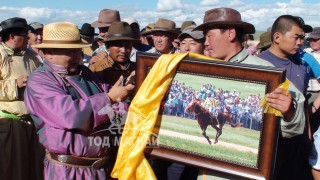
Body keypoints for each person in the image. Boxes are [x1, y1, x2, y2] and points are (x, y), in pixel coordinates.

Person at [194, 8, 309, 179]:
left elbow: (295, 126)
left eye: (209, 35)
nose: (206, 42)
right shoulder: (201, 68)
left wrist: (289, 112)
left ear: (230, 34)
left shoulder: (267, 73)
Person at [24, 21, 134, 179]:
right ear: (48, 53)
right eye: (70, 52)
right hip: (69, 171)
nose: (77, 57)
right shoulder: (40, 81)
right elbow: (70, 114)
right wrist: (110, 98)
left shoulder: (87, 74)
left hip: (100, 169)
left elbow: (115, 109)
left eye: (78, 51)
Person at [258, 15, 312, 179]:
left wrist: (307, 135)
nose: (300, 42)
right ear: (277, 37)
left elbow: (304, 103)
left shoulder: (302, 66)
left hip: (297, 141)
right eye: (296, 37)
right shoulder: (258, 65)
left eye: (302, 38)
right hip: (271, 144)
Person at [0, 17, 43, 180]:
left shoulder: (31, 56)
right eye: (25, 35)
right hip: (10, 125)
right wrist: (14, 85)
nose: (28, 39)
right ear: (12, 36)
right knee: (13, 170)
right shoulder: (1, 55)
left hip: (33, 123)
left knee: (34, 168)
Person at [90, 21, 137, 91]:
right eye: (118, 45)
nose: (123, 50)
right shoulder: (96, 69)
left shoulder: (138, 69)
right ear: (108, 46)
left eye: (128, 46)